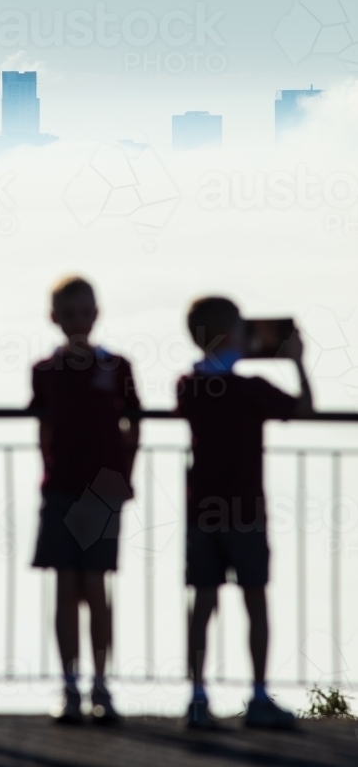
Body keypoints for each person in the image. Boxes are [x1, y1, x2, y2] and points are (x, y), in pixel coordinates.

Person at [178, 296, 313, 730]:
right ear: (228, 335)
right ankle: (257, 694)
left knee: (203, 601)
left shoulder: (188, 386)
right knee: (255, 600)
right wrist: (296, 361)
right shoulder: (251, 389)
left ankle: (197, 695)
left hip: (202, 512)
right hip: (246, 512)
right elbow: (303, 407)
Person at [30, 277, 140, 724]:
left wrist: (123, 478)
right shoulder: (45, 371)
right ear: (55, 318)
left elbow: (134, 424)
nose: (78, 321)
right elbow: (42, 425)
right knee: (66, 587)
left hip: (101, 489)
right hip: (60, 488)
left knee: (94, 586)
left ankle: (99, 683)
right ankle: (71, 683)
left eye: (85, 312)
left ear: (96, 314)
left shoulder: (117, 366)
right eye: (70, 314)